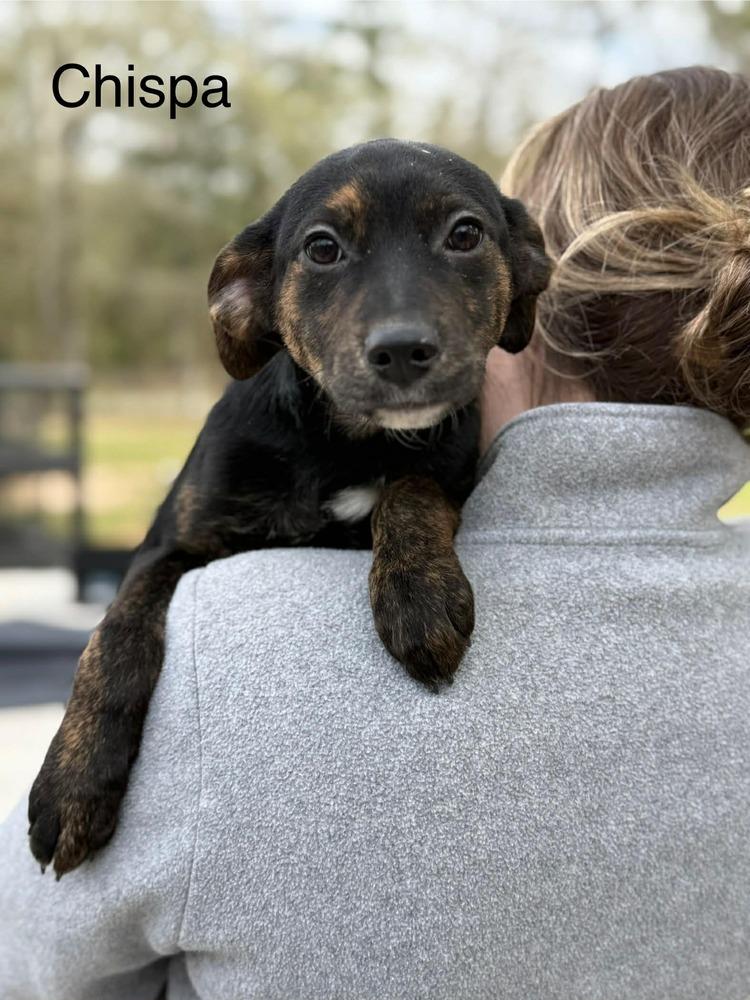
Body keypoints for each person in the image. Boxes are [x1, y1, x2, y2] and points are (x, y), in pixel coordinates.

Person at [1, 65, 749, 1000]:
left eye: (461, 238)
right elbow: (168, 558)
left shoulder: (216, 660)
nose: (399, 325)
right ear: (248, 305)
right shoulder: (246, 446)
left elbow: (36, 967)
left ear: (535, 289)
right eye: (325, 250)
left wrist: (414, 513)